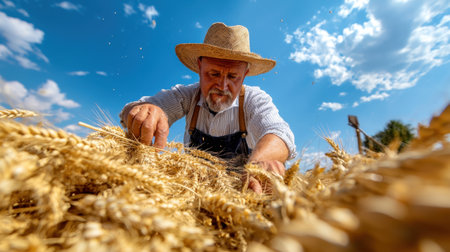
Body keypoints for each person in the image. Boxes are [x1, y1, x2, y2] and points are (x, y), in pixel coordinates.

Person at [119, 22, 296, 193]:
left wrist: (261, 163)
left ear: (245, 75)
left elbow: (279, 132)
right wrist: (145, 111)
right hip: (192, 192)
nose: (222, 85)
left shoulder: (254, 100)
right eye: (214, 73)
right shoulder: (186, 96)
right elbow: (130, 110)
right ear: (199, 66)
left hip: (242, 194)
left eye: (233, 76)